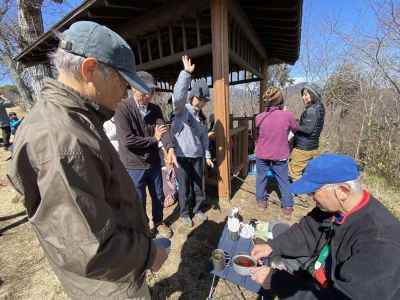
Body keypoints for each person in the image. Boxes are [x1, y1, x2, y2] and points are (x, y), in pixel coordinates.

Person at [8, 21, 168, 300]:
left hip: (113, 274)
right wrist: (150, 254)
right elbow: (89, 248)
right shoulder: (60, 137)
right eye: (121, 82)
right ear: (89, 69)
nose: (125, 94)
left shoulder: (77, 118)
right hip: (109, 285)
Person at [249, 154, 400, 300]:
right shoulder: (336, 207)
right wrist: (272, 246)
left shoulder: (380, 244)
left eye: (314, 191)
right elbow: (306, 231)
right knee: (278, 230)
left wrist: (277, 282)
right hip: (319, 270)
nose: (310, 196)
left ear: (342, 191)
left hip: (332, 291)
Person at [114, 71, 176, 238]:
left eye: (151, 91)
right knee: (138, 199)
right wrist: (153, 140)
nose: (149, 95)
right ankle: (142, 227)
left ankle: (158, 221)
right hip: (133, 165)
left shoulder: (155, 109)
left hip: (153, 162)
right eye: (145, 91)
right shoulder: (122, 108)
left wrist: (170, 148)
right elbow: (127, 140)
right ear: (134, 88)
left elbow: (163, 131)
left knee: (158, 194)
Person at [172, 56, 214, 227]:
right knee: (184, 187)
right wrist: (185, 74)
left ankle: (197, 210)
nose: (203, 103)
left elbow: (204, 137)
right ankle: (183, 214)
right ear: (194, 96)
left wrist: (207, 154)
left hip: (197, 156)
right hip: (181, 155)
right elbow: (177, 96)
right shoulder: (182, 110)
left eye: (205, 100)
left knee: (198, 186)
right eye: (201, 99)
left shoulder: (202, 117)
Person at [255, 87, 299, 216]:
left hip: (262, 153)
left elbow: (257, 133)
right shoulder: (288, 115)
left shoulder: (259, 117)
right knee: (283, 180)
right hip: (280, 154)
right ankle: (287, 206)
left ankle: (261, 201)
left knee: (261, 178)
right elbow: (296, 128)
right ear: (280, 100)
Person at [289, 83, 325, 181]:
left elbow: (307, 129)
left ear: (313, 94)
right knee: (307, 171)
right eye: (303, 95)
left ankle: (298, 191)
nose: (303, 97)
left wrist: (293, 124)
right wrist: (298, 122)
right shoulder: (319, 107)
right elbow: (312, 126)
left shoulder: (312, 110)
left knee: (294, 172)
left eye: (306, 94)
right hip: (313, 145)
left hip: (303, 148)